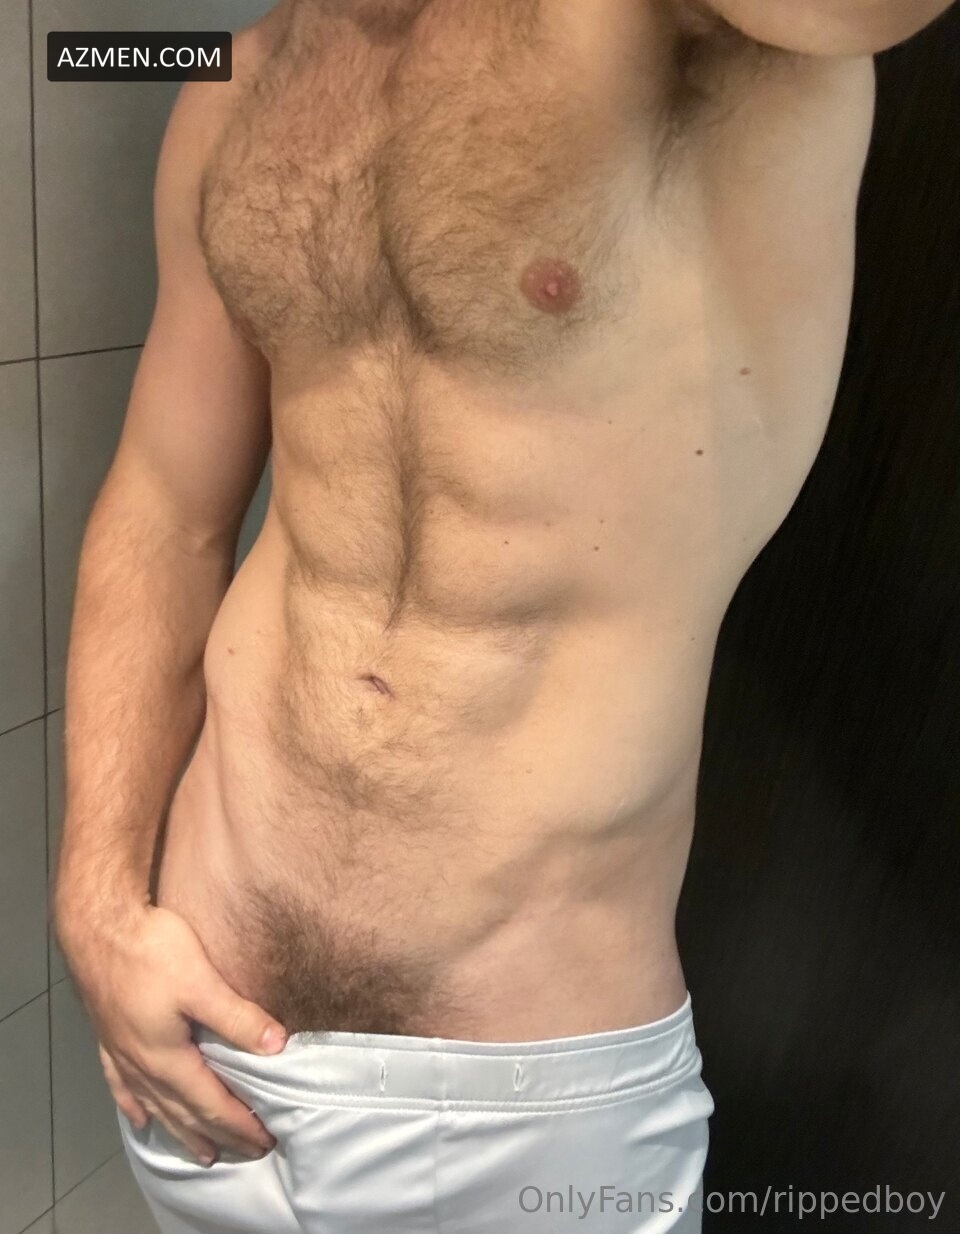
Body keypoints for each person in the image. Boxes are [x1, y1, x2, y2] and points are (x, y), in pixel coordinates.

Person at [52, 1, 954, 1231]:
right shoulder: (242, 76)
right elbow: (166, 509)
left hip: (528, 1121)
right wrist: (97, 902)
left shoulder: (694, 29)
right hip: (198, 1074)